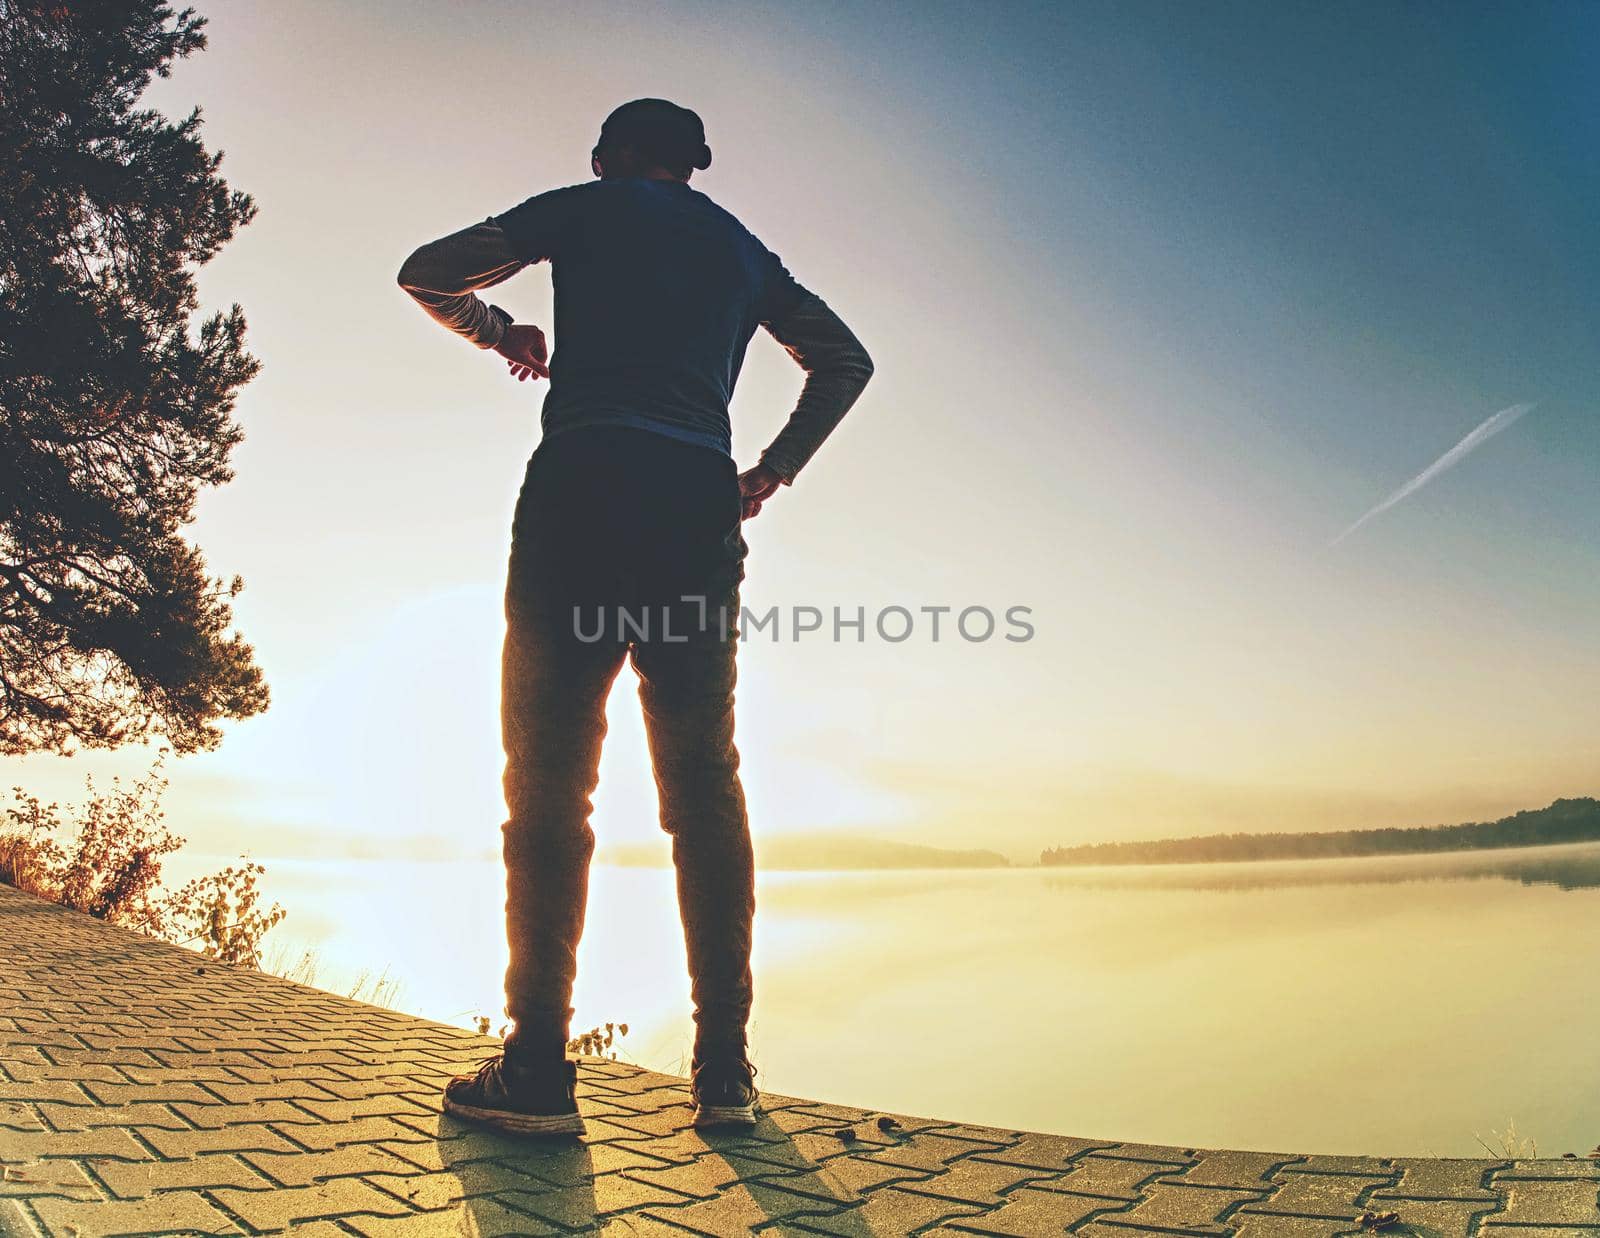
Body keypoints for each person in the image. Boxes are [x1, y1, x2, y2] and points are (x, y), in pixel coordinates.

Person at [397, 99, 873, 1135]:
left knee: (550, 779)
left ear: (607, 156)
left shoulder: (581, 208)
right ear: (694, 168)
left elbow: (427, 268)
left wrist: (500, 332)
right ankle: (726, 1074)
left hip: (583, 484)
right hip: (696, 501)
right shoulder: (747, 255)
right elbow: (845, 360)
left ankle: (535, 1073)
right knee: (704, 784)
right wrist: (774, 469)